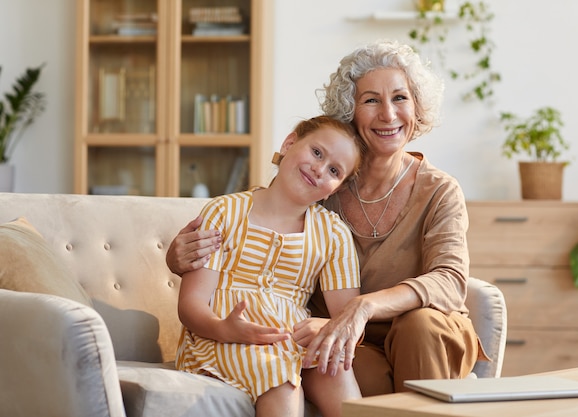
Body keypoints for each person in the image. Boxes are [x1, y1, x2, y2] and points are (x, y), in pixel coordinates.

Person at [167, 40, 485, 398]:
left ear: (418, 107)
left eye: (400, 98)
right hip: (353, 342)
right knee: (321, 361)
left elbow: (450, 280)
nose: (388, 114)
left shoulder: (440, 190)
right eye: (370, 100)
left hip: (428, 336)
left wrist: (363, 307)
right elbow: (265, 217)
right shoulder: (326, 184)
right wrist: (177, 257)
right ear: (350, 111)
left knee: (418, 324)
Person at [175, 115, 365, 417]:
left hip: (291, 344)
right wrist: (224, 329)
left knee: (337, 372)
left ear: (335, 189)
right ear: (289, 143)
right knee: (281, 380)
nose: (319, 169)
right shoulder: (224, 211)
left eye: (333, 170)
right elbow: (191, 304)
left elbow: (348, 320)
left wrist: (328, 327)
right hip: (219, 340)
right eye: (316, 152)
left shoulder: (334, 234)